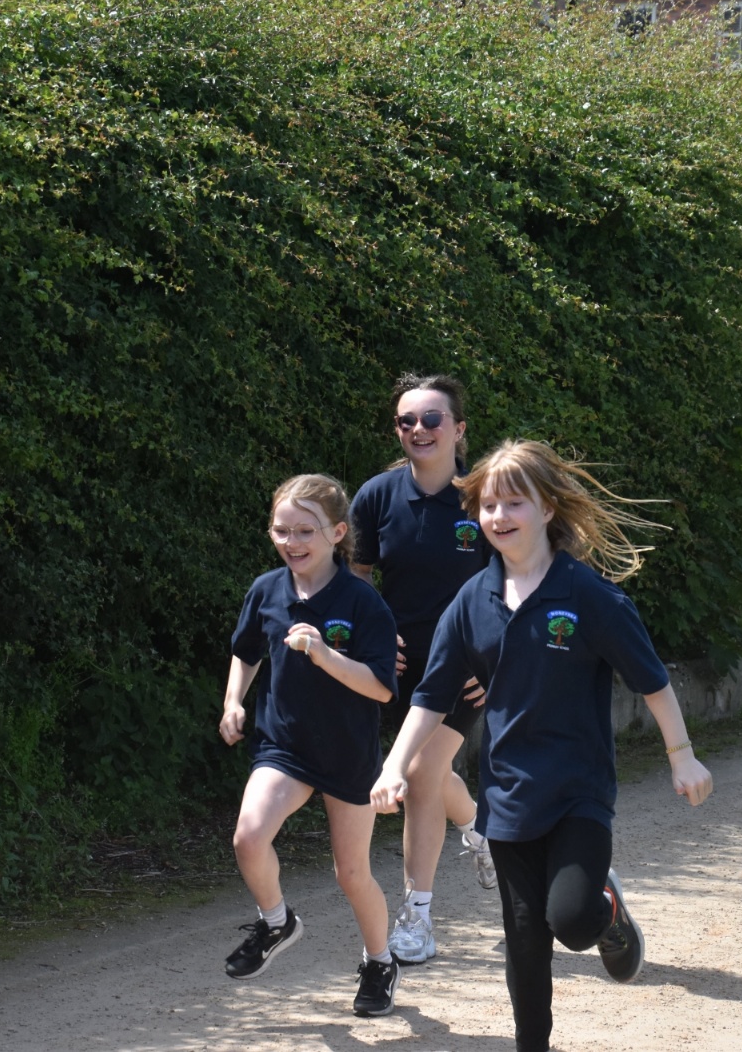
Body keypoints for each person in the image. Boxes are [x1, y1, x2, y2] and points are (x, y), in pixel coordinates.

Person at [370, 439, 713, 1052]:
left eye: (514, 503)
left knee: (572, 923)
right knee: (526, 939)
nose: (499, 516)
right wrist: (395, 766)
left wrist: (680, 754)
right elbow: (430, 697)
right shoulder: (470, 602)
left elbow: (652, 679)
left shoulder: (587, 594)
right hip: (508, 796)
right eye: (488, 505)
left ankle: (606, 911)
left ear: (548, 508)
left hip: (578, 791)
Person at [218, 474, 402, 1017]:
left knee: (352, 874)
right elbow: (247, 651)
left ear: (337, 533)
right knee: (249, 837)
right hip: (285, 746)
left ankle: (380, 962)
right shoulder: (266, 590)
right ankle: (277, 923)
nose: (292, 541)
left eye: (305, 530)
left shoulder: (363, 602)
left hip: (348, 753)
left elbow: (381, 687)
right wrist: (233, 702)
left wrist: (325, 654)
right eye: (282, 530)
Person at [350, 373, 495, 966]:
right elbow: (357, 580)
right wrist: (373, 639)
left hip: (465, 666)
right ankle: (481, 832)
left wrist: (494, 657)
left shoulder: (483, 497)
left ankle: (417, 917)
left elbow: (513, 583)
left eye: (432, 419)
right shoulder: (375, 497)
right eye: (407, 420)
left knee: (418, 772)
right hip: (400, 667)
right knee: (427, 775)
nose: (419, 429)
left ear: (458, 430)